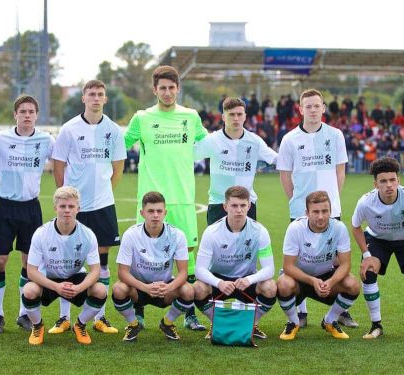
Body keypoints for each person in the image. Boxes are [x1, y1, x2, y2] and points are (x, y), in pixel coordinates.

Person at [124, 65, 208, 331]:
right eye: (163, 88)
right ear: (154, 90)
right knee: (141, 253)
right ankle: (138, 309)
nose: (168, 92)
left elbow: (210, 146)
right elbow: (119, 145)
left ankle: (189, 313)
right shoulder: (142, 117)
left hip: (183, 197)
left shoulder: (191, 117)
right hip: (151, 198)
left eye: (172, 87)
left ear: (178, 89)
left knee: (188, 255)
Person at [276, 88, 355, 328]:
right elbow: (285, 175)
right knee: (300, 260)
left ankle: (338, 311)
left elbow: (340, 171)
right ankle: (301, 311)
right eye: (308, 106)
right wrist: (297, 200)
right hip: (301, 210)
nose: (312, 110)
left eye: (316, 105)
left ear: (323, 108)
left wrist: (331, 202)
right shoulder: (290, 139)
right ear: (301, 110)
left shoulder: (336, 135)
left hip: (330, 210)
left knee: (333, 262)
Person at [52, 79, 126, 335]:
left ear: (105, 99)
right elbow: (59, 165)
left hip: (103, 206)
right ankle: (63, 318)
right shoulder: (69, 129)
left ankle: (99, 318)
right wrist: (66, 197)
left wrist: (104, 191)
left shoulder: (114, 130)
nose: (96, 98)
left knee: (102, 263)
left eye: (100, 94)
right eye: (91, 94)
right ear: (83, 98)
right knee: (68, 263)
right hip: (75, 208)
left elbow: (118, 168)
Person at [0, 95, 55, 333]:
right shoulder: (1, 138)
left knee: (29, 261)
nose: (27, 115)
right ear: (15, 114)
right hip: (4, 207)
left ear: (37, 115)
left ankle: (24, 314)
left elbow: (61, 160)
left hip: (30, 207)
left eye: (31, 111)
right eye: (22, 111)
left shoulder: (46, 139)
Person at [351, 157, 404, 340]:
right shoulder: (365, 202)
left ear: (398, 180)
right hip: (377, 239)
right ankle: (376, 326)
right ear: (375, 184)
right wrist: (366, 255)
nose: (389, 185)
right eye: (383, 181)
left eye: (392, 180)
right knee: (369, 273)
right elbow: (355, 226)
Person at [21, 186, 107, 345]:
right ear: (55, 208)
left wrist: (79, 288)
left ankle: (80, 325)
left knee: (100, 290)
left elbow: (95, 271)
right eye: (62, 206)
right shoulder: (41, 233)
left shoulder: (87, 235)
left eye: (71, 206)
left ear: (78, 209)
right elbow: (31, 272)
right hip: (50, 278)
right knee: (29, 290)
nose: (67, 210)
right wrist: (56, 287)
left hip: (75, 278)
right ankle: (37, 326)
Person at [193, 186, 276, 340]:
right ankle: (217, 323)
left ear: (249, 206)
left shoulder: (259, 231)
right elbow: (200, 270)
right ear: (225, 207)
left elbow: (270, 269)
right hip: (220, 280)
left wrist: (249, 279)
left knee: (270, 287)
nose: (239, 210)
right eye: (234, 205)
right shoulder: (212, 232)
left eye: (243, 205)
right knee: (198, 288)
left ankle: (251, 323)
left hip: (246, 280)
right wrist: (219, 283)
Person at [276, 191, 360, 340]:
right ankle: (293, 322)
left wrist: (330, 282)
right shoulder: (296, 228)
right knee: (283, 283)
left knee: (353, 284)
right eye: (315, 212)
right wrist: (312, 281)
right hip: (299, 278)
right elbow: (288, 266)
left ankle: (330, 320)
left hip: (326, 277)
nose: (320, 216)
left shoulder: (339, 228)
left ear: (330, 211)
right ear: (307, 212)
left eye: (324, 211)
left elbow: (345, 265)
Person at [112, 192, 193, 341]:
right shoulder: (131, 234)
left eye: (159, 211)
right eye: (150, 211)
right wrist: (145, 288)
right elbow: (122, 273)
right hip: (139, 288)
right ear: (142, 213)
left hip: (164, 288)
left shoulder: (177, 235)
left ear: (165, 213)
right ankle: (133, 324)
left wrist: (168, 287)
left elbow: (183, 273)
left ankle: (167, 323)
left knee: (188, 290)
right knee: (118, 289)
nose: (155, 215)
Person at [194, 97, 277, 225]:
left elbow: (277, 159)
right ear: (223, 117)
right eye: (231, 114)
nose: (236, 118)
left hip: (246, 205)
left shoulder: (255, 141)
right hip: (219, 204)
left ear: (245, 116)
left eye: (239, 114)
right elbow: (187, 155)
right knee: (217, 245)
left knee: (246, 245)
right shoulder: (212, 140)